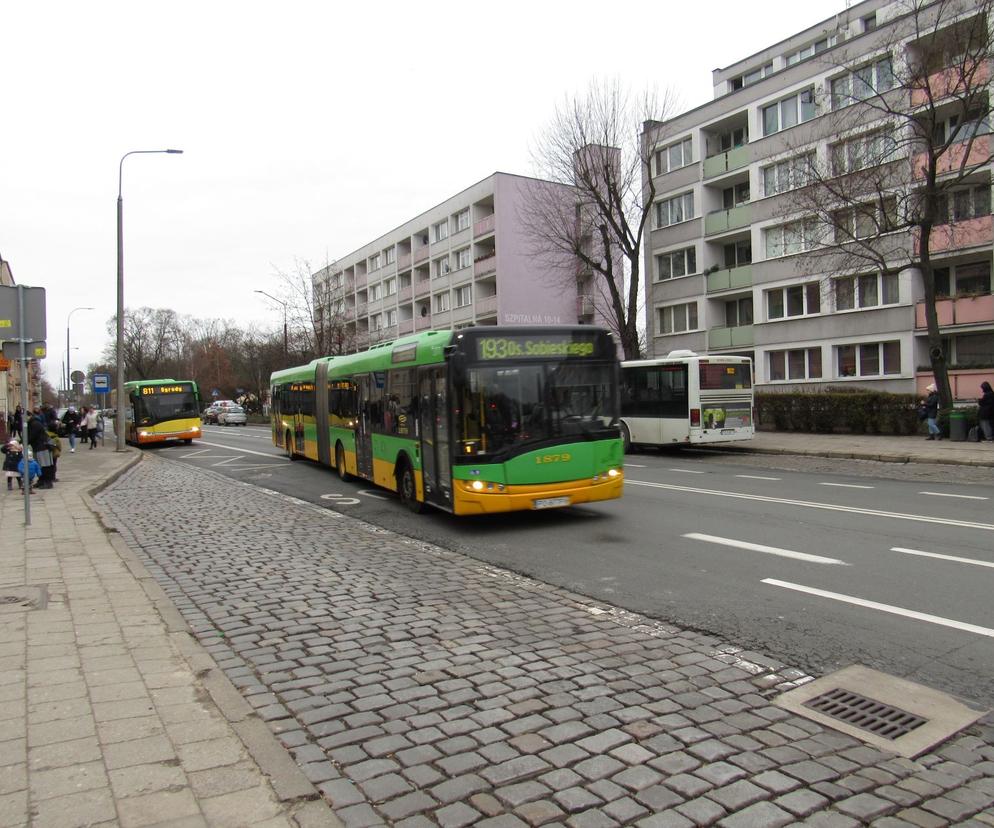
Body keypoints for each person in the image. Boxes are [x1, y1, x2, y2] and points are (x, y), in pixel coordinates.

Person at [27, 410, 54, 488]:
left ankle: (48, 482)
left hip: (43, 447)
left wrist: (23, 442)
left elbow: (32, 436)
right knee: (40, 466)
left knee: (45, 465)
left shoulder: (35, 424)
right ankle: (41, 480)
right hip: (38, 447)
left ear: (29, 416)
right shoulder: (31, 423)